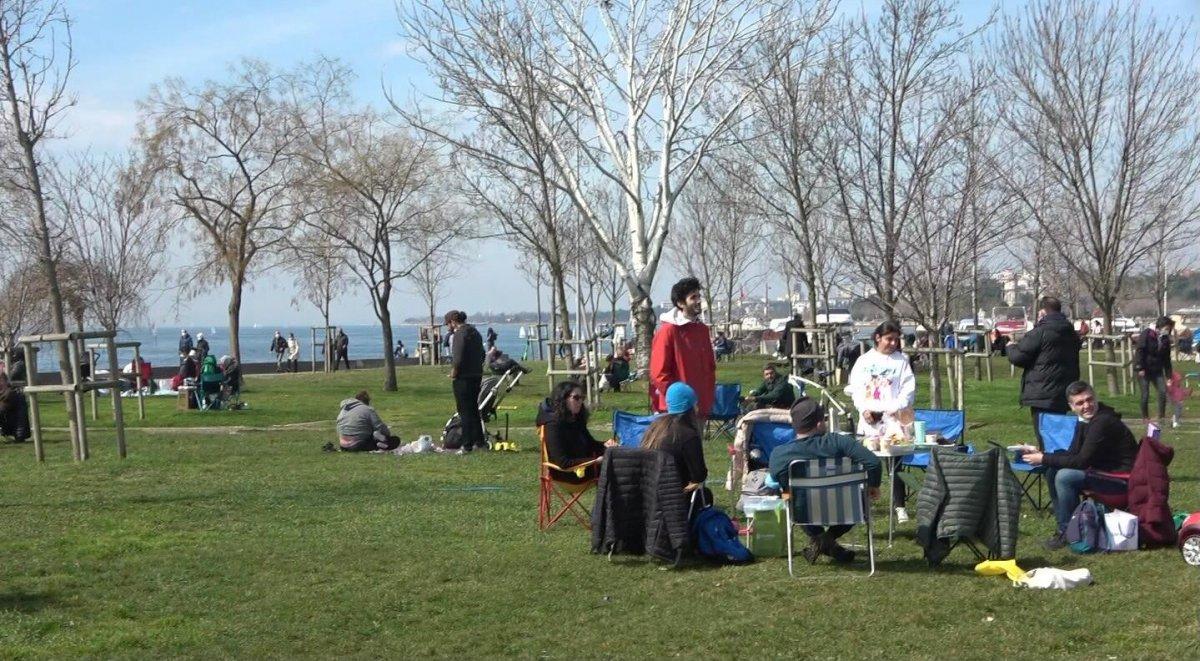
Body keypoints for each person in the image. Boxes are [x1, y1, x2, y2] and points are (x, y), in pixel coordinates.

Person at [1016, 381, 1138, 549]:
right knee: (1052, 471)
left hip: (1122, 481)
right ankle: (1063, 529)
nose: (1087, 405)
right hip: (1104, 472)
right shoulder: (1085, 420)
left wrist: (1043, 458)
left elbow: (1081, 461)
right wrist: (1041, 453)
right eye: (1080, 403)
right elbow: (1073, 453)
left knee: (1064, 477)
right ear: (1071, 406)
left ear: (1095, 398)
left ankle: (1071, 532)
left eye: (1089, 400)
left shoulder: (1102, 421)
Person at [769, 398, 882, 564]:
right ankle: (829, 542)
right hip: (848, 509)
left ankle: (822, 542)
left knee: (788, 495)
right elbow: (873, 463)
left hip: (803, 512)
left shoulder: (780, 454)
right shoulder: (840, 442)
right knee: (860, 498)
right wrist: (873, 486)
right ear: (819, 423)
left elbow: (776, 479)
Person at [845, 320, 916, 520]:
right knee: (866, 462)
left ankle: (900, 505)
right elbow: (856, 389)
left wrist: (896, 407)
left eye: (896, 339)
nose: (893, 343)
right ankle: (862, 504)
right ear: (878, 338)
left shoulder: (902, 361)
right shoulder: (864, 361)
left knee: (895, 462)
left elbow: (908, 389)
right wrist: (864, 409)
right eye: (889, 339)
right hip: (869, 419)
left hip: (892, 418)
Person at [1006, 297, 1081, 450]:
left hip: (1042, 393)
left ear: (1043, 311)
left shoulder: (1040, 332)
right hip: (1064, 391)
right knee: (1059, 438)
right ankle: (1058, 463)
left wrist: (1010, 346)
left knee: (1045, 438)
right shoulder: (1071, 332)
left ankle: (1050, 468)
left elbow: (1018, 357)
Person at [650, 277, 716, 419]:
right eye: (693, 297)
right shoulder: (668, 331)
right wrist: (679, 401)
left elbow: (709, 368)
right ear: (680, 303)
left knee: (697, 441)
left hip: (700, 407)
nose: (699, 300)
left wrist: (707, 400)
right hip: (677, 410)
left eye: (699, 296)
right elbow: (659, 374)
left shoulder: (702, 330)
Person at [537, 381, 617, 483]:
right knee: (617, 468)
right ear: (563, 399)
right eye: (576, 398)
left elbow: (590, 444)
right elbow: (564, 462)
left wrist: (606, 445)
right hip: (568, 473)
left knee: (621, 460)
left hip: (586, 466)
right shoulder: (553, 425)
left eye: (582, 398)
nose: (580, 402)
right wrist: (595, 461)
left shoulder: (575, 419)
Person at [640, 382, 708, 493]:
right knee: (706, 495)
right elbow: (699, 475)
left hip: (648, 495)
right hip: (675, 498)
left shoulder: (655, 428)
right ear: (692, 407)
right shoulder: (688, 435)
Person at [446, 310, 486, 452]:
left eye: (447, 324)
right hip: (476, 375)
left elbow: (458, 357)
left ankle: (466, 444)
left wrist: (454, 372)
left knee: (464, 411)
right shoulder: (475, 333)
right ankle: (480, 442)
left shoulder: (459, 334)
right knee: (473, 409)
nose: (447, 327)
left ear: (453, 322)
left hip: (463, 377)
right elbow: (482, 354)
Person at [1133, 316, 1174, 425]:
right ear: (1160, 326)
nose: (1167, 330)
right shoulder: (1147, 334)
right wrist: (1139, 367)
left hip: (1157, 369)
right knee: (1145, 393)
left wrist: (1169, 376)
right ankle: (1145, 417)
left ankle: (1161, 417)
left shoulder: (1165, 339)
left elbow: (1167, 358)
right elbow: (1140, 350)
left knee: (1162, 391)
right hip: (1144, 369)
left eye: (1169, 329)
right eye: (1166, 328)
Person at [336, 390, 401, 452]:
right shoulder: (368, 410)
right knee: (395, 440)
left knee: (372, 432)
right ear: (367, 401)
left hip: (343, 445)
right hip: (358, 444)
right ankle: (381, 443)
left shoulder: (344, 409)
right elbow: (380, 426)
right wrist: (387, 435)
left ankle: (379, 440)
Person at [0, 372, 31, 442]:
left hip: (12, 429)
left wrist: (20, 435)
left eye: (0, 380)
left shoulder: (15, 396)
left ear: (6, 382)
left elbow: (21, 418)